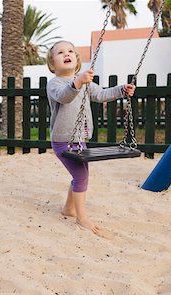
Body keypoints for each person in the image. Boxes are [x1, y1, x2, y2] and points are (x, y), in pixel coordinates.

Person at [46, 40, 136, 235]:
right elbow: (64, 96)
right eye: (60, 52)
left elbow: (102, 94)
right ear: (53, 64)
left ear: (76, 60)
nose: (66, 54)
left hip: (80, 140)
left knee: (79, 175)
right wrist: (78, 82)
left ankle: (68, 209)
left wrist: (122, 90)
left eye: (70, 51)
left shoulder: (84, 82)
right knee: (81, 176)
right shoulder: (55, 84)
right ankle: (81, 217)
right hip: (62, 141)